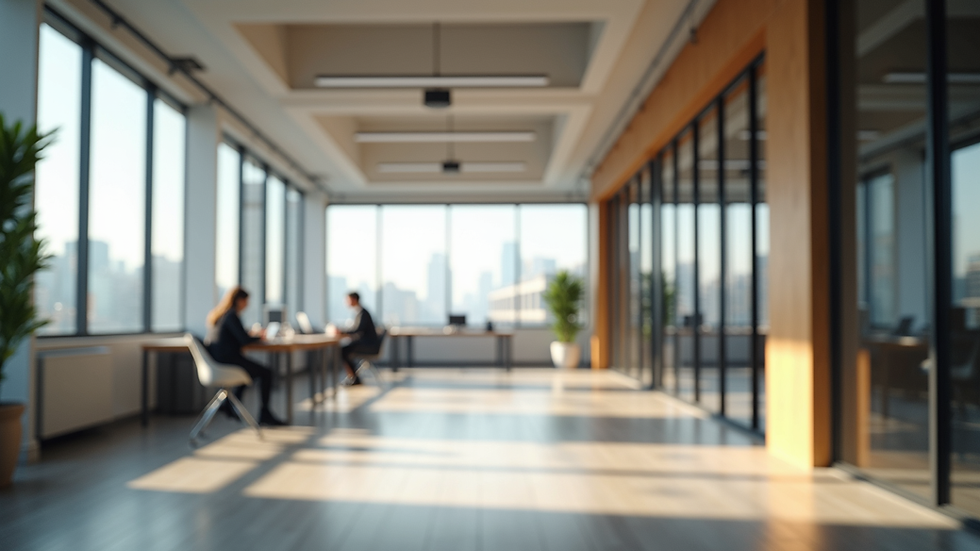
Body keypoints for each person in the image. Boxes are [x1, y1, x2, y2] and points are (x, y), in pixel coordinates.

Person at [205, 287, 287, 426]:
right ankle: (264, 414)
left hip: (218, 361)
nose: (247, 304)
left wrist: (252, 334)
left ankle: (230, 404)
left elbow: (238, 336)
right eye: (246, 301)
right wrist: (260, 336)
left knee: (251, 372)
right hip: (228, 362)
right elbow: (244, 340)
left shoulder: (222, 315)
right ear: (239, 300)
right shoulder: (231, 316)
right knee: (266, 373)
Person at [340, 292, 380, 385]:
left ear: (354, 299)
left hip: (369, 344)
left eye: (347, 300)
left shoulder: (362, 313)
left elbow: (358, 329)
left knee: (344, 350)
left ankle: (354, 378)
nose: (346, 302)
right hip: (366, 342)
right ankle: (354, 378)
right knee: (345, 349)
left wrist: (342, 332)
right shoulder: (359, 312)